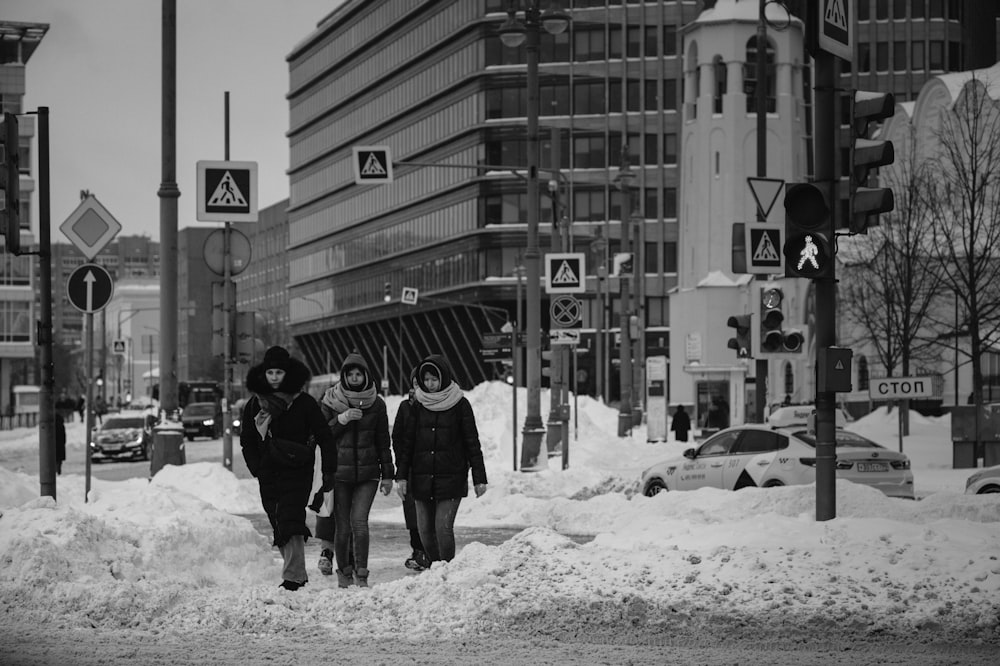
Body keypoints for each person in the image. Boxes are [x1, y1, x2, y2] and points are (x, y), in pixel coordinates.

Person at [241, 346, 336, 592]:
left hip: (297, 469)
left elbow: (325, 436)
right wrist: (256, 467)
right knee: (278, 521)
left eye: (279, 372)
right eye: (270, 372)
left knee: (290, 519)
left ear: (287, 373)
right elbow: (247, 439)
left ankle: (294, 576)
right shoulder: (255, 404)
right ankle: (296, 573)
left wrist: (329, 471)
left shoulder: (303, 402)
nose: (274, 377)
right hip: (268, 472)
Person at [395, 354, 488, 565]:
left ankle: (446, 568)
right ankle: (435, 569)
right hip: (422, 477)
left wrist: (479, 477)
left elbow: (472, 442)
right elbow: (407, 444)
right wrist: (401, 477)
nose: (430, 384)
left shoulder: (460, 404)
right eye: (426, 380)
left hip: (451, 477)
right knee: (425, 530)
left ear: (443, 378)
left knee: (442, 527)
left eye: (434, 379)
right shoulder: (418, 405)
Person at [319, 352, 394, 588]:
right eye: (349, 374)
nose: (354, 378)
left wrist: (388, 475)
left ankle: (362, 574)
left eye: (358, 373)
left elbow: (384, 442)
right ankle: (344, 572)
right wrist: (341, 420)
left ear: (365, 375)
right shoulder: (330, 401)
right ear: (343, 376)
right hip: (339, 475)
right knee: (342, 527)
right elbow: (321, 436)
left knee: (359, 522)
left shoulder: (377, 403)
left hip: (368, 475)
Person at [391, 368, 430, 572]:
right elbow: (396, 436)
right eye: (415, 382)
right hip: (410, 467)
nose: (418, 386)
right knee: (411, 510)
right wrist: (402, 461)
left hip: (430, 466)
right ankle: (417, 550)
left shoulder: (435, 405)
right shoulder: (405, 407)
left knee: (428, 509)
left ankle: (430, 550)